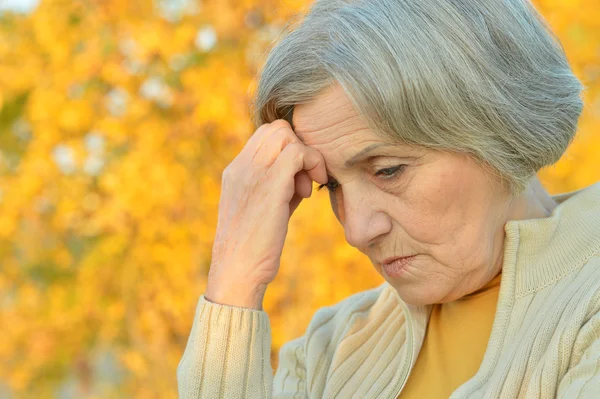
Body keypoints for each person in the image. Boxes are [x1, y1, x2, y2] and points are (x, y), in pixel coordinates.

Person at [177, 0, 600, 397]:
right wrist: (236, 278)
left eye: (388, 170)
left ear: (498, 126)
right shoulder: (328, 350)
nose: (357, 231)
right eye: (332, 186)